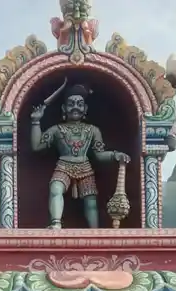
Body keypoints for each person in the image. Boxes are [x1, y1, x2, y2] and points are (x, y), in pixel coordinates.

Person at [30, 82, 130, 228]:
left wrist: (115, 155)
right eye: (71, 104)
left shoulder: (92, 130)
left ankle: (94, 231)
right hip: (63, 165)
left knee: (90, 201)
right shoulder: (57, 130)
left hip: (85, 166)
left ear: (85, 109)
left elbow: (99, 154)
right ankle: (56, 224)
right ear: (64, 108)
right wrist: (35, 121)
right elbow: (37, 146)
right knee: (56, 189)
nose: (75, 107)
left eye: (79, 104)